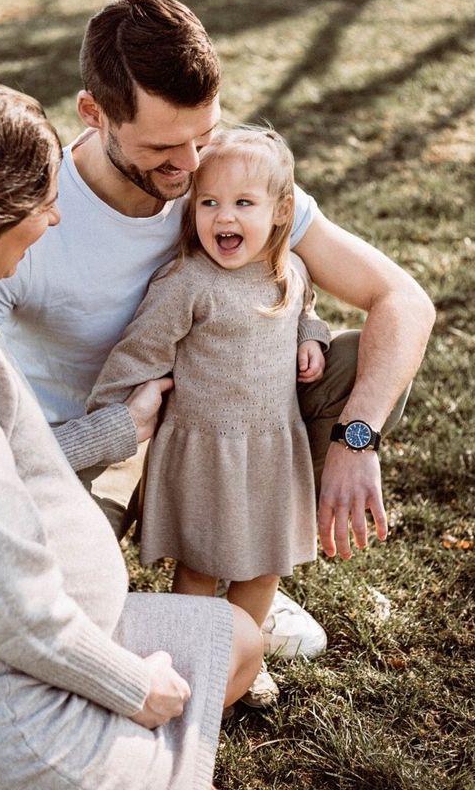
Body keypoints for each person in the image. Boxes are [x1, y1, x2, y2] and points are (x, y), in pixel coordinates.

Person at [0, 0, 435, 695]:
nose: (190, 169)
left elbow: (404, 301)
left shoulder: (233, 178)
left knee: (360, 365)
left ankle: (246, 571)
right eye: (161, 149)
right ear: (94, 113)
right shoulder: (29, 220)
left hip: (235, 425)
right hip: (86, 446)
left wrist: (356, 441)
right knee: (57, 594)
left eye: (202, 136)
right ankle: (181, 611)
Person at [0, 84, 262, 790]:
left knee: (236, 644)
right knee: (183, 708)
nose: (53, 218)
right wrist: (131, 685)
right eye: (41, 202)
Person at [87, 127, 332, 709]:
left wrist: (314, 341)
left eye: (244, 203)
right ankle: (193, 651)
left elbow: (309, 311)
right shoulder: (186, 283)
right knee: (200, 566)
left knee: (263, 566)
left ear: (280, 212)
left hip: (272, 448)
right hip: (204, 453)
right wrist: (113, 414)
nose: (224, 216)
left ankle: (238, 658)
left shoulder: (288, 271)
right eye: (209, 202)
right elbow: (138, 352)